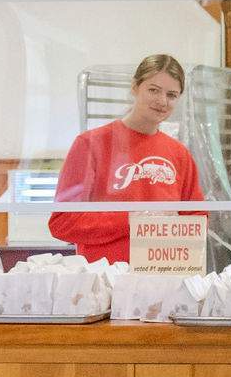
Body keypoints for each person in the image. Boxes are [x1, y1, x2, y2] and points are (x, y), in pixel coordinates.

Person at [48, 54, 206, 264]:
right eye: (153, 90)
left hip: (164, 280)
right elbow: (63, 222)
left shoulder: (180, 154)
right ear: (134, 87)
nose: (162, 101)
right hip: (106, 284)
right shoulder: (90, 144)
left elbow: (197, 218)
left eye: (172, 95)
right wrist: (133, 220)